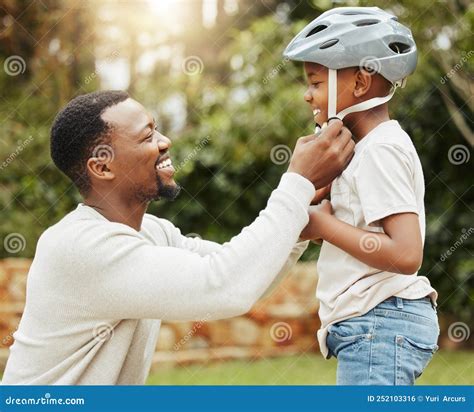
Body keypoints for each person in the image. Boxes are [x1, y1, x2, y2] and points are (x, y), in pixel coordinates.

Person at [2, 90, 354, 384]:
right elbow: (225, 286)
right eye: (147, 136)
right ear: (102, 166)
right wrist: (296, 183)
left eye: (158, 129)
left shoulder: (152, 232)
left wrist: (298, 224)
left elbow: (245, 279)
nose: (165, 141)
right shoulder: (79, 247)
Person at [284, 6, 439, 385]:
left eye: (316, 83)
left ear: (359, 83)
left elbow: (405, 254)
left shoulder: (380, 150)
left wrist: (325, 224)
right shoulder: (362, 149)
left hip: (380, 322)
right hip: (376, 323)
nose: (307, 95)